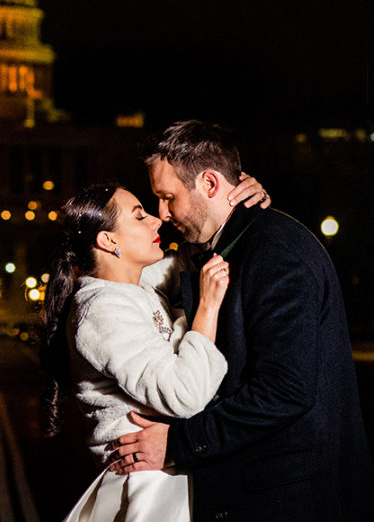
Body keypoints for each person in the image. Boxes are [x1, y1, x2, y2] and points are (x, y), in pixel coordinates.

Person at [107, 120, 374, 521]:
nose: (163, 214)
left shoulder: (277, 253)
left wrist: (179, 443)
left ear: (212, 185)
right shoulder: (229, 246)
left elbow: (285, 390)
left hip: (288, 501)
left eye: (169, 197)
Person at [40, 175, 269, 522]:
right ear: (108, 240)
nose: (157, 219)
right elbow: (186, 394)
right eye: (139, 215)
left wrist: (239, 202)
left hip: (171, 473)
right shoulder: (101, 311)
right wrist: (205, 308)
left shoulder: (134, 285)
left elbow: (194, 254)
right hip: (151, 486)